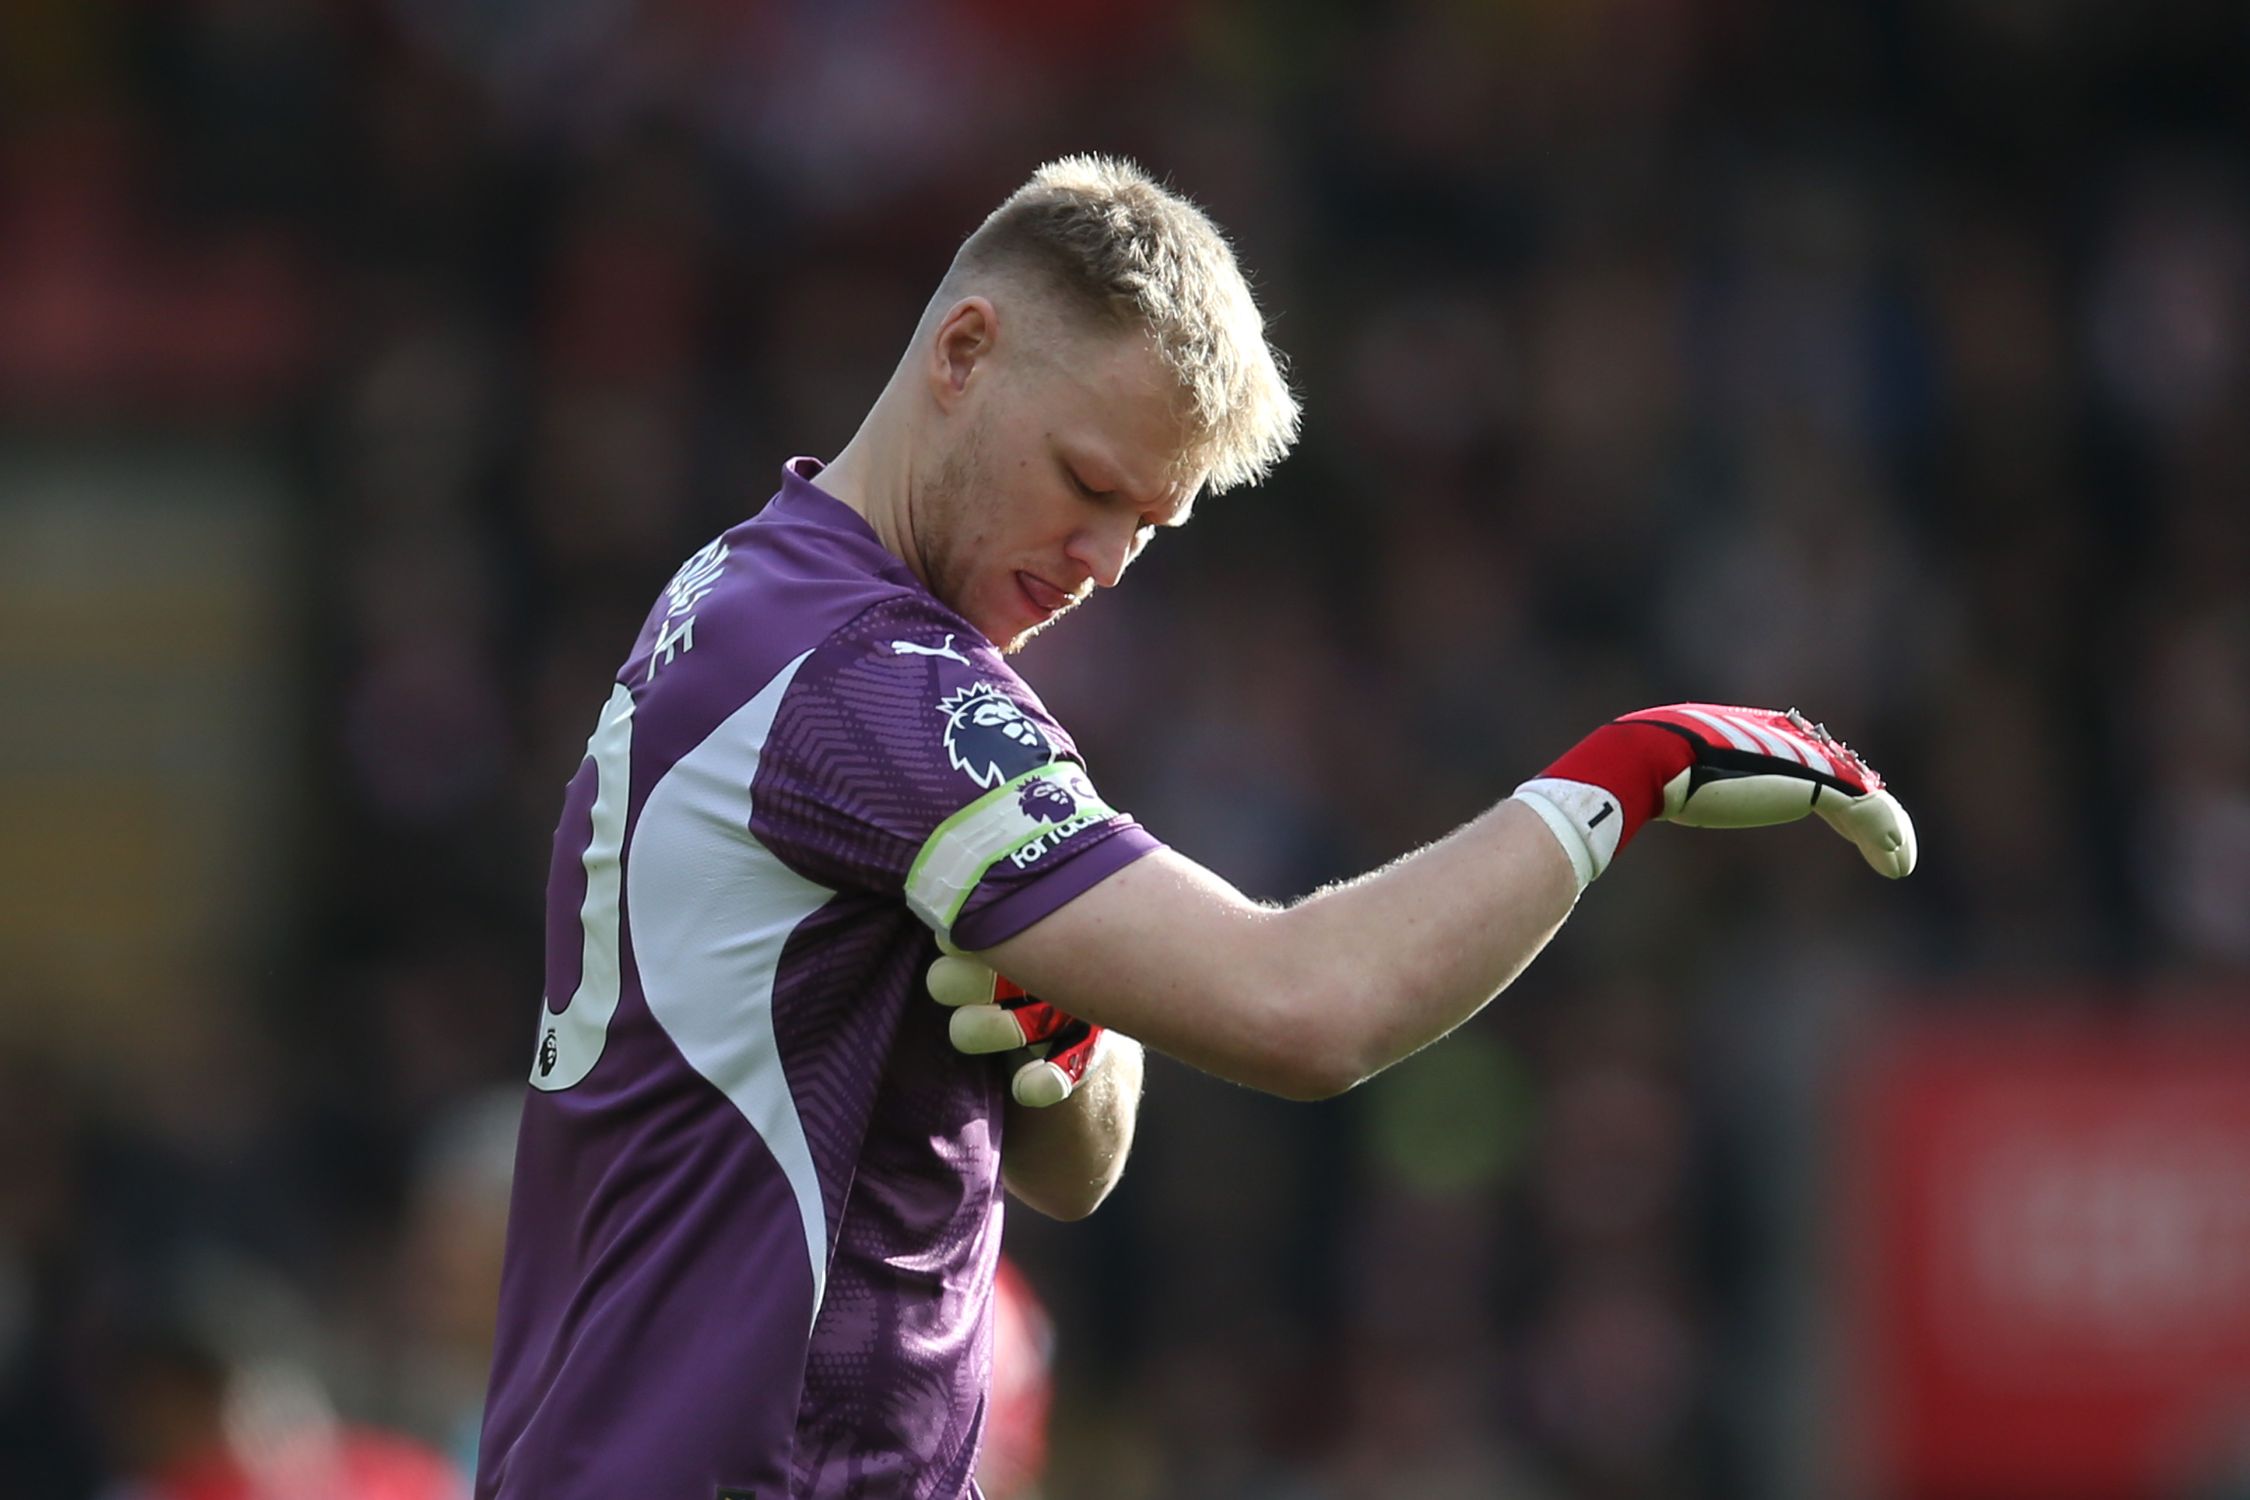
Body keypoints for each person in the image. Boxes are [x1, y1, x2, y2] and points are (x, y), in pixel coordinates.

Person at [475, 155, 1914, 1500]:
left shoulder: (750, 594)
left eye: (1148, 528)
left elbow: (1073, 1162)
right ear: (961, 353)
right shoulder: (875, 688)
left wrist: (1062, 1031)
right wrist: (1627, 773)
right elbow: (1304, 1008)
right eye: (1089, 486)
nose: (1100, 563)